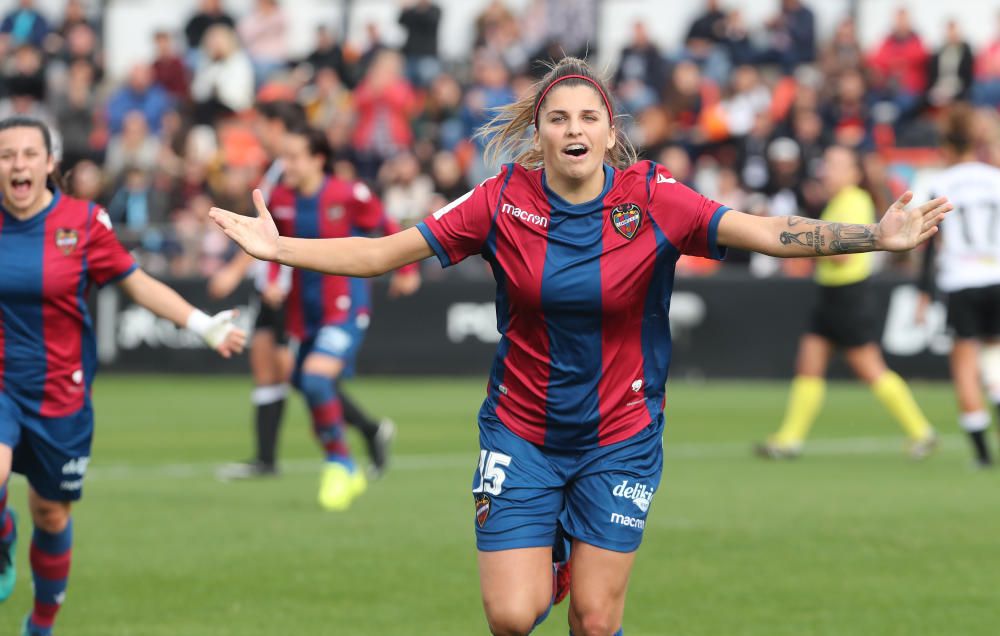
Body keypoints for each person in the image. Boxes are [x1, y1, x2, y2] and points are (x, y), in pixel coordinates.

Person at [209, 57, 949, 636]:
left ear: (607, 130)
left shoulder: (654, 197)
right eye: (557, 116)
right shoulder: (499, 201)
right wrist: (281, 249)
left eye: (588, 116)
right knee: (510, 617)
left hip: (620, 437)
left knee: (596, 622)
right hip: (523, 431)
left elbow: (762, 230)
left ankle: (573, 563)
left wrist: (873, 237)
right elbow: (381, 254)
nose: (573, 128)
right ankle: (552, 560)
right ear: (538, 131)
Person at [0, 116, 245, 636]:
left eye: (27, 154)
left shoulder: (84, 223)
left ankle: (41, 622)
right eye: (5, 155)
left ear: (48, 163)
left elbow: (136, 285)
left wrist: (202, 324)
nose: (16, 164)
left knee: (51, 516)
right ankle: (2, 532)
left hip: (60, 396)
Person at [220, 122, 418, 509]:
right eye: (284, 157)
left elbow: (388, 227)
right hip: (304, 308)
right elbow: (272, 249)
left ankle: (341, 464)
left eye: (294, 157)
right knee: (302, 379)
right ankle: (371, 432)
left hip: (344, 305)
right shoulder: (280, 199)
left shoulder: (349, 193)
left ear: (318, 159)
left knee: (313, 377)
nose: (287, 165)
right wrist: (274, 281)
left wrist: (407, 271)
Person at [755, 145, 938, 460]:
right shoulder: (839, 200)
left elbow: (842, 256)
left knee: (870, 369)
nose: (827, 170)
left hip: (848, 295)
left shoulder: (853, 200)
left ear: (854, 173)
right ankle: (789, 439)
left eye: (836, 165)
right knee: (809, 365)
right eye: (827, 163)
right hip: (832, 294)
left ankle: (922, 431)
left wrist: (805, 251)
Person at [917, 103, 1000, 468]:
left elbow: (928, 241)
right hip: (997, 276)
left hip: (962, 280)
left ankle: (982, 455)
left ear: (946, 147)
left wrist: (923, 291)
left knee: (965, 367)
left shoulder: (940, 184)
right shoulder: (995, 178)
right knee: (995, 359)